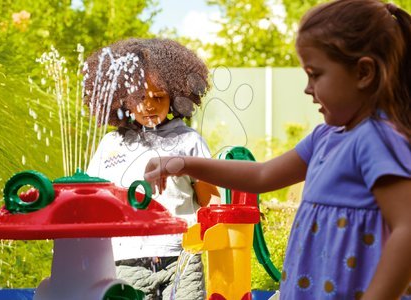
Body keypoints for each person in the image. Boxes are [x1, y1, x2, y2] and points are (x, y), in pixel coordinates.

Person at [144, 1, 411, 299]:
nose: (307, 88)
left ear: (364, 72)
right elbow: (262, 175)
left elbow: (407, 228)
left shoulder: (377, 140)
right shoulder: (325, 137)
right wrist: (184, 164)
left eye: (316, 74)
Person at [84, 38, 219, 300]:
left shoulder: (189, 141)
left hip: (182, 256)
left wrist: (210, 241)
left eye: (159, 97)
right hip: (125, 259)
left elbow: (210, 200)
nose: (149, 105)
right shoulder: (110, 144)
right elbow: (95, 202)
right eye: (140, 98)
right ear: (122, 100)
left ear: (176, 97)